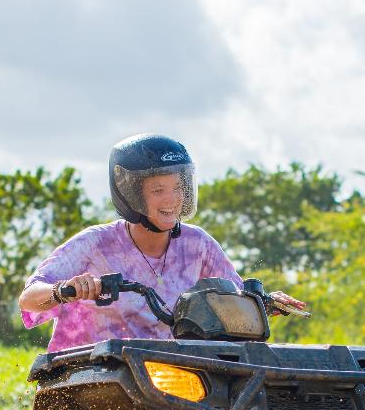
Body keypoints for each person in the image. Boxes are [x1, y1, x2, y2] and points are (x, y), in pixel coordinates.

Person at [18, 134, 306, 352]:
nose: (172, 199)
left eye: (178, 188)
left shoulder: (198, 244)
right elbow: (29, 298)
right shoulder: (96, 244)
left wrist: (264, 302)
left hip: (162, 380)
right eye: (158, 190)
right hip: (85, 377)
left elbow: (234, 300)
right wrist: (63, 291)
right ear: (131, 195)